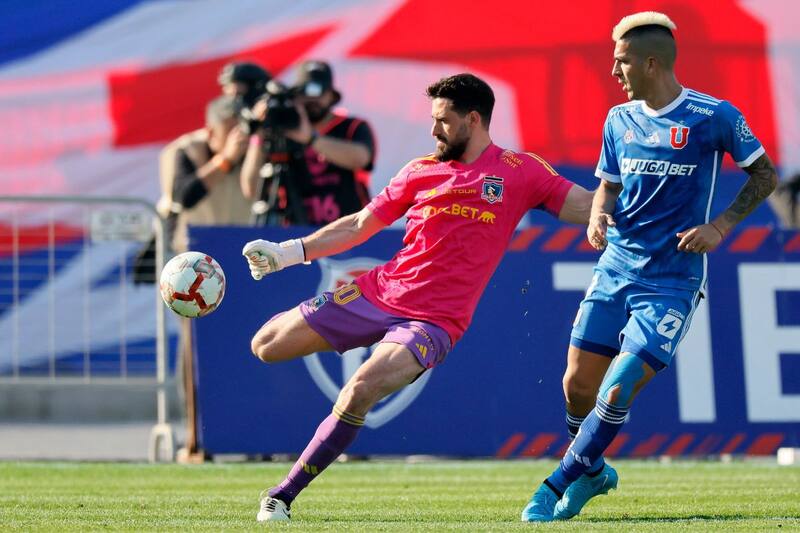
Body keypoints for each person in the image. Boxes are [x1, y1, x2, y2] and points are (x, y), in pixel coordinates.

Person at [241, 73, 595, 522]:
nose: (433, 130)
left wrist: (644, 188)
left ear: (473, 119)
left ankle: (282, 495)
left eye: (443, 121)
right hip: (376, 291)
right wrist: (288, 253)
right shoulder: (419, 170)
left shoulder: (519, 170)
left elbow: (587, 205)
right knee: (266, 346)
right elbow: (358, 225)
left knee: (359, 390)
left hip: (432, 321)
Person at [520, 11, 778, 522]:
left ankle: (554, 485)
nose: (614, 72)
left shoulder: (713, 116)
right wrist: (597, 215)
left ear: (651, 63)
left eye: (621, 62)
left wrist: (721, 226)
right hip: (616, 268)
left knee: (618, 387)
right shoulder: (619, 120)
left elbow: (765, 175)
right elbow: (609, 186)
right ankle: (594, 472)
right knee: (576, 386)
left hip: (672, 281)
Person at [240, 60, 376, 226]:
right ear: (295, 96)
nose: (313, 99)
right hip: (295, 239)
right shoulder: (281, 134)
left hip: (350, 232)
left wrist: (310, 138)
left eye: (320, 92)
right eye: (304, 92)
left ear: (332, 96)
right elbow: (251, 189)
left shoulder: (352, 127)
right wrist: (261, 133)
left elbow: (361, 159)